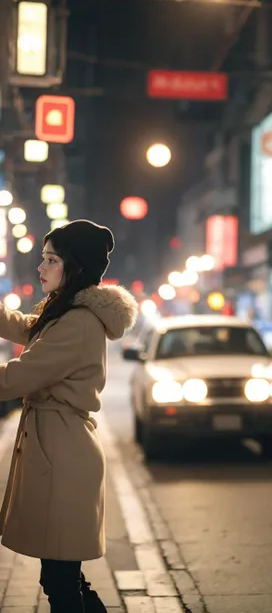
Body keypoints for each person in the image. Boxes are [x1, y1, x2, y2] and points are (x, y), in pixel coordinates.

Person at [0, 220, 138, 612]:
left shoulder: (77, 322)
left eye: (51, 259)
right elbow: (30, 328)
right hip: (58, 448)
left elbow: (18, 377)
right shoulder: (65, 314)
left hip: (62, 456)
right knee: (64, 577)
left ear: (74, 266)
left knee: (60, 580)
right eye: (43, 258)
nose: (40, 268)